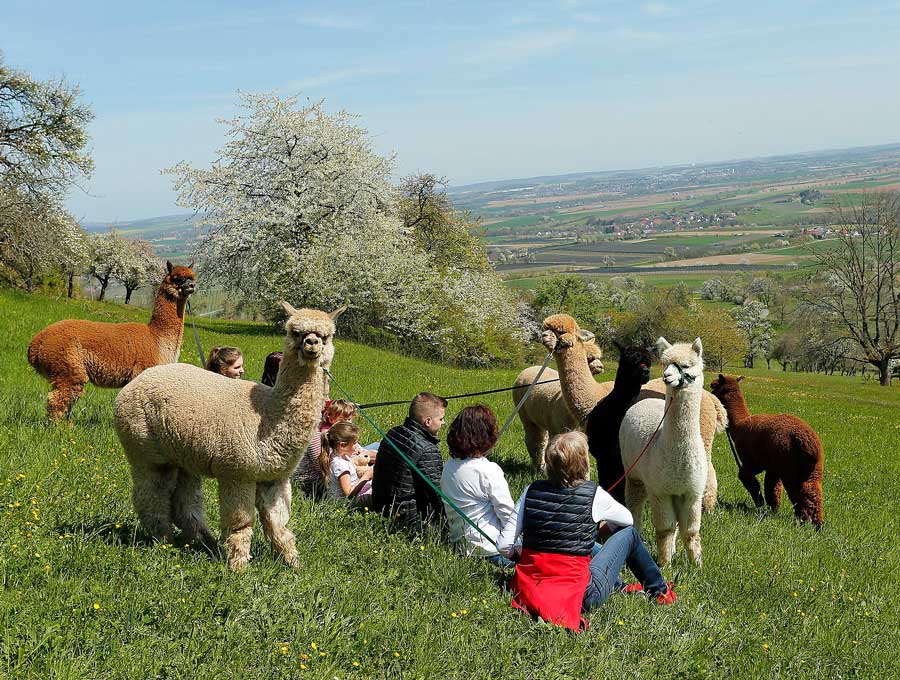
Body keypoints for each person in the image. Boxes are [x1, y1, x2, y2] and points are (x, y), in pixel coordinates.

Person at [496, 431, 676, 632]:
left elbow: (504, 546)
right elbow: (627, 521)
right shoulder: (594, 495)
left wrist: (518, 552)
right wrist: (597, 531)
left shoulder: (531, 490)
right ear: (582, 463)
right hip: (584, 596)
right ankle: (659, 591)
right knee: (630, 535)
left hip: (530, 590)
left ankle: (632, 586)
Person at [440, 405, 515, 567]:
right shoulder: (488, 470)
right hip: (492, 551)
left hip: (459, 547)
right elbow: (509, 517)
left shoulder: (448, 467)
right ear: (486, 435)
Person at [372, 392, 447, 531]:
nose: (444, 423)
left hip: (379, 508)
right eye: (441, 419)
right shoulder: (427, 449)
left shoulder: (393, 432)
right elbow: (439, 496)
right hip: (407, 522)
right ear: (428, 421)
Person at [291, 399, 372, 498]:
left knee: (377, 447)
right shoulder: (318, 435)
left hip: (345, 463)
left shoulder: (336, 431)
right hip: (317, 483)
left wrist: (362, 452)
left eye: (349, 419)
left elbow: (353, 447)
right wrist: (362, 467)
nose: (346, 422)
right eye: (342, 420)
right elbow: (325, 467)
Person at [320, 421, 373, 507]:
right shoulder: (341, 466)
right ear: (342, 446)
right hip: (347, 503)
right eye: (354, 443)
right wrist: (367, 476)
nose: (357, 446)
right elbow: (348, 493)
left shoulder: (337, 455)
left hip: (352, 495)